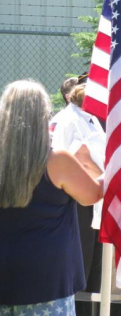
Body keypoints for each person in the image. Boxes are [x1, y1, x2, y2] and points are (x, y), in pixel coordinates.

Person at [0, 80, 102, 313]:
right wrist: (105, 170)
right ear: (43, 115)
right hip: (47, 281)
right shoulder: (57, 160)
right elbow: (92, 195)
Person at [51, 82, 106, 293]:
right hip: (80, 197)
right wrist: (105, 180)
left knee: (94, 264)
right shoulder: (72, 119)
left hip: (95, 195)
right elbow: (81, 159)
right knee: (83, 261)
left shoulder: (88, 118)